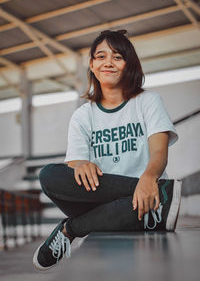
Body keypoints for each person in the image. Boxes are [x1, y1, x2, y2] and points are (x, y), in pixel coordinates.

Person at [33, 30, 182, 271]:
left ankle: (71, 228)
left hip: (144, 198)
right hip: (120, 200)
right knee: (49, 174)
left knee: (138, 204)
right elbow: (75, 165)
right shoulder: (83, 115)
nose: (108, 63)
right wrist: (82, 165)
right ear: (92, 64)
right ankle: (162, 199)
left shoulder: (148, 102)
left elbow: (159, 153)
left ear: (128, 64)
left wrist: (148, 177)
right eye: (101, 56)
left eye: (117, 57)